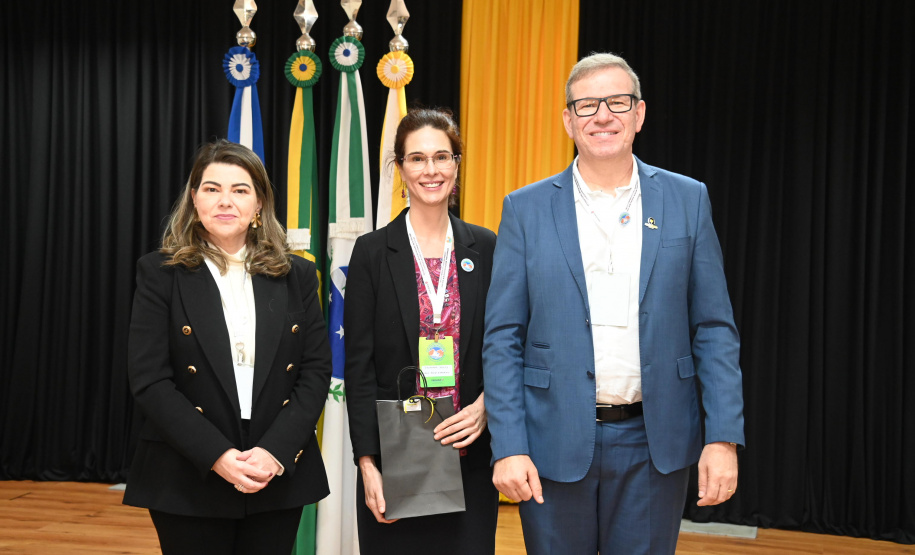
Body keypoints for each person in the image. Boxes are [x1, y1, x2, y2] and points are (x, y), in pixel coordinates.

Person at [483, 53, 745, 554]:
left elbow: (714, 327)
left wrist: (723, 437)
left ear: (639, 113)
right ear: (568, 120)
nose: (602, 116)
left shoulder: (687, 200)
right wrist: (509, 444)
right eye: (586, 105)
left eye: (617, 102)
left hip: (654, 444)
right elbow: (503, 337)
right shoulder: (525, 208)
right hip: (551, 442)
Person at [124, 140, 333, 554]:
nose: (225, 200)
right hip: (189, 471)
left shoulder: (298, 275)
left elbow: (315, 372)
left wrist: (274, 452)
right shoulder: (159, 274)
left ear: (259, 204)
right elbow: (150, 380)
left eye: (240, 189)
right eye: (211, 188)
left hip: (273, 470)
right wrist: (217, 454)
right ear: (193, 199)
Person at [344, 108, 499, 554]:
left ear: (456, 164)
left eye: (441, 157)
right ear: (400, 167)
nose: (430, 170)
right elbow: (359, 368)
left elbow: (506, 346)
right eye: (416, 158)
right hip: (396, 459)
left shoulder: (486, 247)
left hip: (470, 452)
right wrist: (368, 464)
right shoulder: (372, 252)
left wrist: (486, 407)